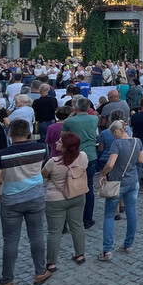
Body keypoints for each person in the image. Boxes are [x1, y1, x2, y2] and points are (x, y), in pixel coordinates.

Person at [0, 119, 50, 285]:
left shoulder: (1, 155)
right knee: (37, 235)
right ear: (29, 133)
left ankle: (7, 280)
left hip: (11, 200)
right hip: (35, 196)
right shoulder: (41, 148)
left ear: (10, 133)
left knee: (11, 240)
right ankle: (40, 271)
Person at [40, 132, 88, 271]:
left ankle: (51, 262)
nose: (56, 143)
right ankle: (80, 254)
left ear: (66, 147)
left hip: (56, 199)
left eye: (60, 142)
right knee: (77, 225)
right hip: (77, 195)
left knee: (54, 231)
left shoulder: (53, 162)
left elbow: (43, 174)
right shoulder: (83, 156)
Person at [96, 120, 143, 261]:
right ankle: (128, 244)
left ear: (117, 131)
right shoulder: (137, 141)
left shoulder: (117, 144)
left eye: (113, 133)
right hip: (133, 181)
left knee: (109, 215)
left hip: (117, 182)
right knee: (131, 212)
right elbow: (141, 160)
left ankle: (107, 250)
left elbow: (110, 164)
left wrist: (102, 174)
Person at [61, 97, 99, 230]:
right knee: (88, 187)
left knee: (69, 185)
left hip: (74, 156)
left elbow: (63, 136)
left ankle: (66, 221)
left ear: (76, 107)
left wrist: (72, 114)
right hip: (90, 155)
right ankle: (87, 219)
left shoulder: (70, 121)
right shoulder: (94, 119)